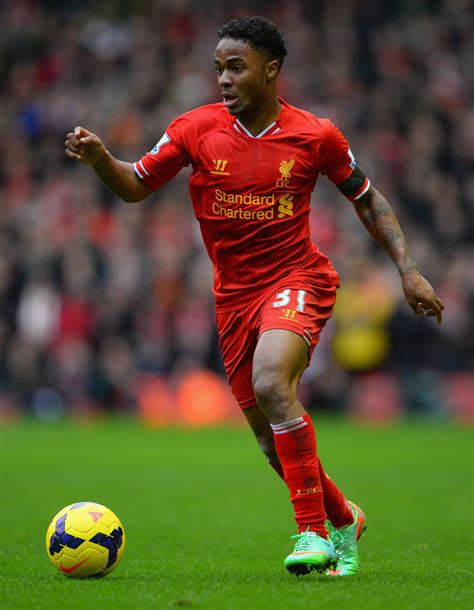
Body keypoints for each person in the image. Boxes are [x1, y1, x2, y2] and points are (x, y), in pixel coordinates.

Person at [65, 16, 444, 577]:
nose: (223, 79)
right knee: (272, 447)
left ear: (271, 71)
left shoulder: (316, 135)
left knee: (272, 380)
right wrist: (101, 160)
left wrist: (408, 270)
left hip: (298, 280)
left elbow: (368, 200)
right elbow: (135, 186)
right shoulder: (194, 128)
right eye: (218, 68)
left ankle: (313, 533)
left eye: (236, 67)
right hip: (233, 299)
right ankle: (344, 519)